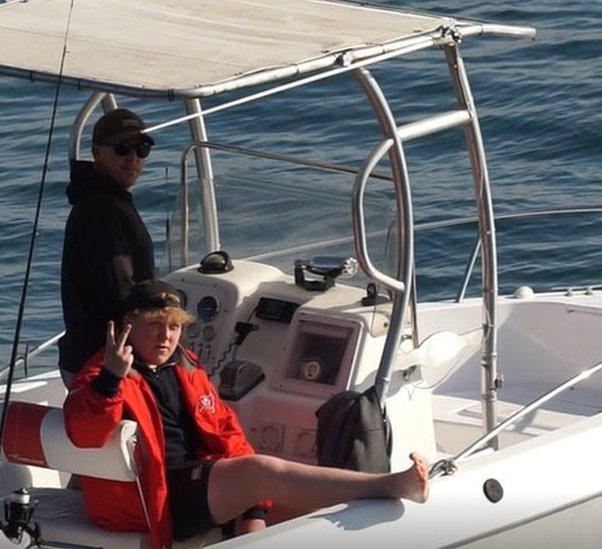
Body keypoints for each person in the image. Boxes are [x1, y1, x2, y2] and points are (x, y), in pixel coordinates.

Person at [63, 280, 429, 548]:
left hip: (191, 482)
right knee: (263, 471)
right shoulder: (102, 373)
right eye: (155, 324)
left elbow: (225, 431)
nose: (165, 336)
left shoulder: (184, 366)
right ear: (129, 323)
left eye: (173, 326)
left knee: (281, 498)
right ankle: (389, 486)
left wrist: (255, 506)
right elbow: (83, 433)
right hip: (149, 498)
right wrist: (111, 379)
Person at [59, 108, 157, 388]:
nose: (133, 157)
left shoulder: (107, 200)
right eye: (122, 148)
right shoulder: (101, 210)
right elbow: (119, 293)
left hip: (99, 355)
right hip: (102, 365)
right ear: (97, 153)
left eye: (141, 148)